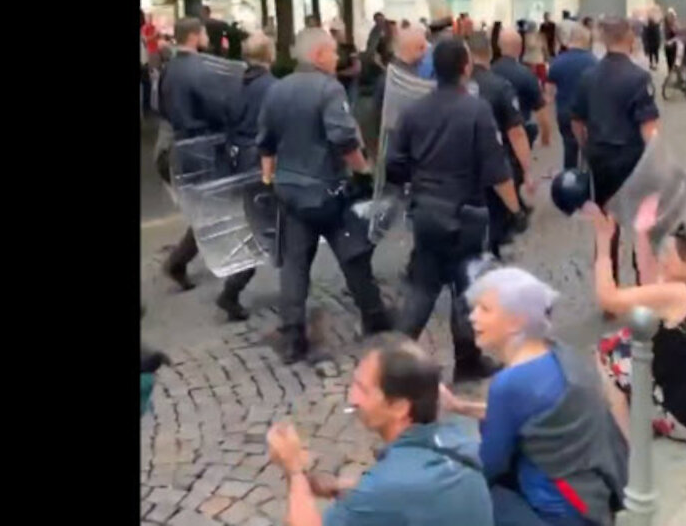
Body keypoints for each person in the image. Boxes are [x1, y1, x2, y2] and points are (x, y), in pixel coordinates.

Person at [386, 39, 528, 382]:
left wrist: (417, 184)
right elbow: (497, 169)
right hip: (466, 213)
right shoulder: (476, 110)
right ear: (466, 67)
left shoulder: (413, 111)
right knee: (466, 289)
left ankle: (393, 363)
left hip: (426, 212)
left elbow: (393, 164)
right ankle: (467, 361)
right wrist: (516, 209)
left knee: (423, 287)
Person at [441, 267, 628, 526]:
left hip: (558, 514)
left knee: (461, 493)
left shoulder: (510, 384)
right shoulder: (560, 354)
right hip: (592, 500)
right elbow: (528, 415)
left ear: (516, 321)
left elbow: (490, 465)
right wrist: (460, 406)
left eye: (485, 310)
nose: (473, 318)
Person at [257, 27, 392, 363]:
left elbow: (266, 142)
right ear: (318, 55)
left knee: (295, 264)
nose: (337, 58)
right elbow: (344, 137)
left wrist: (270, 179)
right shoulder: (328, 88)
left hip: (290, 191)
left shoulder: (277, 89)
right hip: (327, 191)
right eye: (333, 52)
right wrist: (363, 170)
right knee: (353, 252)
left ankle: (292, 336)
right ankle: (374, 316)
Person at [265, 333, 493, 526]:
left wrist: (293, 470)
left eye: (363, 389)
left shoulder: (387, 486)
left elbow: (391, 491)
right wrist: (342, 487)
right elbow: (408, 496)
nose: (352, 398)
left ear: (399, 407)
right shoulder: (454, 438)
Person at [590, 197, 686, 443]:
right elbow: (650, 284)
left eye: (668, 257)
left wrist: (603, 241)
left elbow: (608, 298)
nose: (662, 261)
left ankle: (628, 443)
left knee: (606, 352)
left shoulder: (679, 295)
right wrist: (642, 234)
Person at [570, 17, 659, 292]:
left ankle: (609, 288)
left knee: (606, 227)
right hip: (633, 160)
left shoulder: (588, 76)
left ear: (603, 40)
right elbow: (649, 128)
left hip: (601, 160)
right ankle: (645, 285)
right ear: (630, 39)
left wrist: (586, 147)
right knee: (643, 226)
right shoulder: (639, 78)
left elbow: (576, 120)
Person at [158, 17, 234, 291]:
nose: (206, 37)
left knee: (205, 208)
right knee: (209, 209)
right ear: (193, 35)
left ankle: (181, 261)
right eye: (203, 33)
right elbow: (217, 109)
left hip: (179, 144)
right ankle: (177, 262)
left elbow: (161, 107)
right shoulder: (200, 70)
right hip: (201, 146)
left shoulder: (169, 69)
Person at [212, 30, 279, 321]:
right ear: (270, 56)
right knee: (269, 229)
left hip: (238, 161)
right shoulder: (273, 88)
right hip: (263, 165)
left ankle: (234, 290)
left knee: (262, 227)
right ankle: (232, 290)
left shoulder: (232, 86)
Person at [467, 33, 534, 258]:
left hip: (461, 165)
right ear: (490, 50)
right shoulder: (499, 87)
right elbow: (516, 133)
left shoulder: (457, 86)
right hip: (497, 162)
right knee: (496, 215)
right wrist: (527, 170)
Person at [545, 24, 599, 170]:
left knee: (569, 147)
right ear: (587, 40)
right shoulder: (594, 62)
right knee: (590, 148)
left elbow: (549, 94)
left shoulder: (557, 62)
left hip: (565, 112)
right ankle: (591, 179)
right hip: (589, 114)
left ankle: (569, 180)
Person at [494, 28, 553, 154]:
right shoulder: (526, 75)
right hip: (520, 134)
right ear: (520, 47)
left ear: (499, 46)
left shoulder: (491, 71)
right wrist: (545, 137)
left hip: (494, 135)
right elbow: (541, 111)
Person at [662, 10, 679, 79]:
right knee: (673, 62)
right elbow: (676, 34)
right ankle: (672, 77)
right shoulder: (671, 27)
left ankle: (670, 76)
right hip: (672, 46)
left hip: (668, 46)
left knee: (670, 63)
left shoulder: (666, 26)